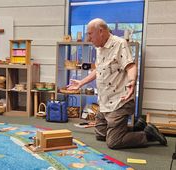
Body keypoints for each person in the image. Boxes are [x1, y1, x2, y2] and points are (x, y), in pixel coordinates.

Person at [68, 18, 167, 149]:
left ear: (101, 31)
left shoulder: (120, 44)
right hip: (105, 101)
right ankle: (136, 126)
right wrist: (81, 82)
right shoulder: (100, 48)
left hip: (119, 101)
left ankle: (147, 135)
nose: (88, 38)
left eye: (90, 34)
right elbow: (98, 69)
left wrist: (132, 81)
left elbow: (131, 66)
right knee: (100, 134)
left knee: (114, 142)